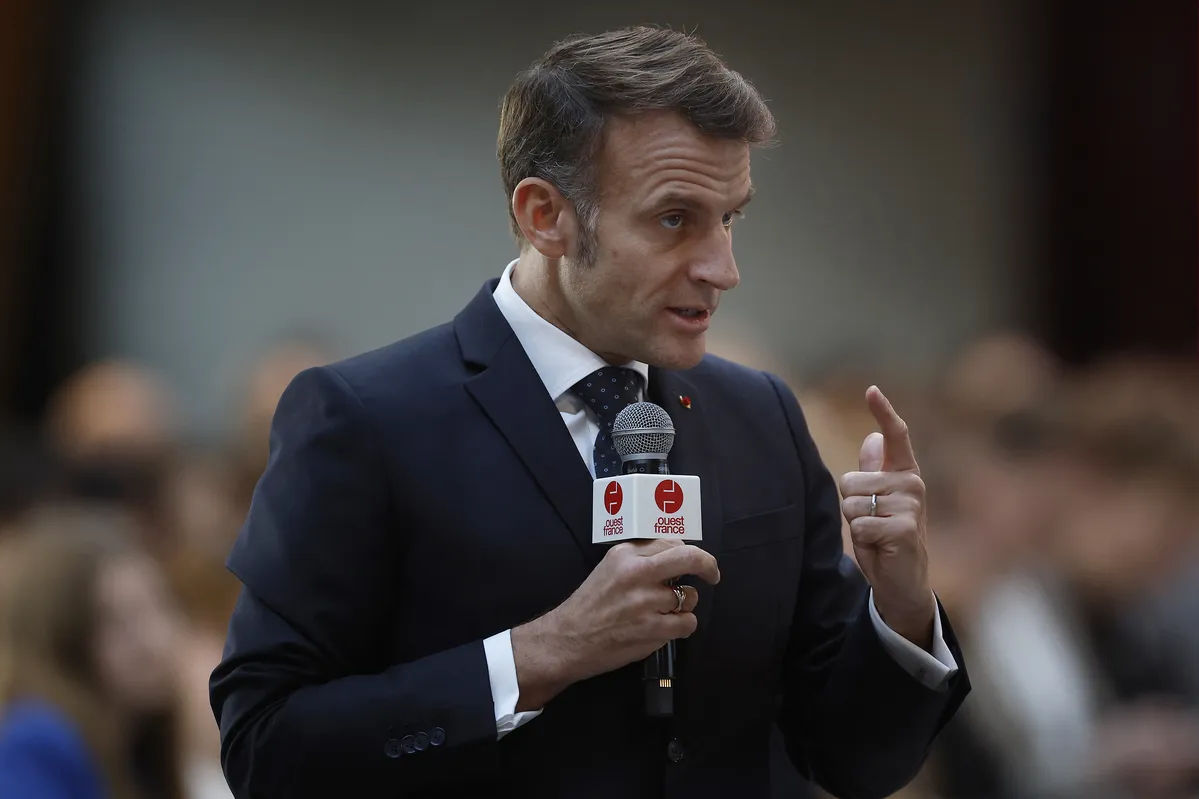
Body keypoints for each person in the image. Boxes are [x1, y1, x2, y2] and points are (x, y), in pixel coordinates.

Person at [210, 26, 970, 799]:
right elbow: (266, 746)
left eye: (729, 218)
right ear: (546, 215)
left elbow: (853, 760)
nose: (723, 268)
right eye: (675, 219)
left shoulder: (761, 414)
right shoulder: (364, 419)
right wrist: (539, 653)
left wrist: (901, 607)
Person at [0, 503, 186, 799]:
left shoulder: (138, 746)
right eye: (115, 622)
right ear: (62, 638)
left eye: (156, 606)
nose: (153, 640)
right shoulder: (37, 740)